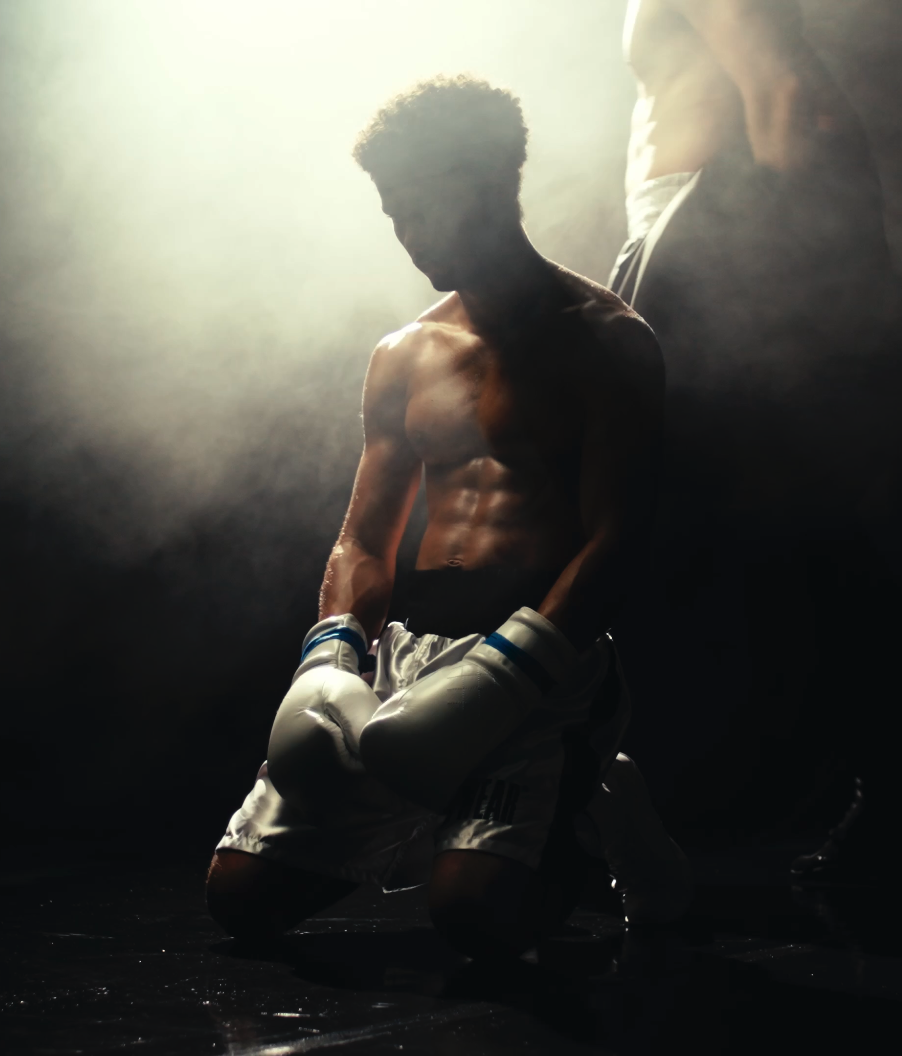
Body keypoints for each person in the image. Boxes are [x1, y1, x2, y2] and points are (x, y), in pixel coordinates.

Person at [206, 76, 690, 958]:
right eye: (393, 213)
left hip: (536, 660)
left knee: (475, 916)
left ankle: (591, 799)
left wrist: (503, 679)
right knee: (237, 899)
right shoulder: (403, 355)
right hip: (403, 663)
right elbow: (363, 536)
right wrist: (329, 660)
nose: (406, 236)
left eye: (419, 208)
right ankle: (480, 815)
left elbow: (616, 538)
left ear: (480, 185)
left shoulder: (609, 343)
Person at [610, 0, 902, 878]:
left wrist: (805, 276)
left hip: (714, 234)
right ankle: (901, 802)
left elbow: (785, 86)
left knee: (770, 527)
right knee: (791, 532)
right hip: (696, 230)